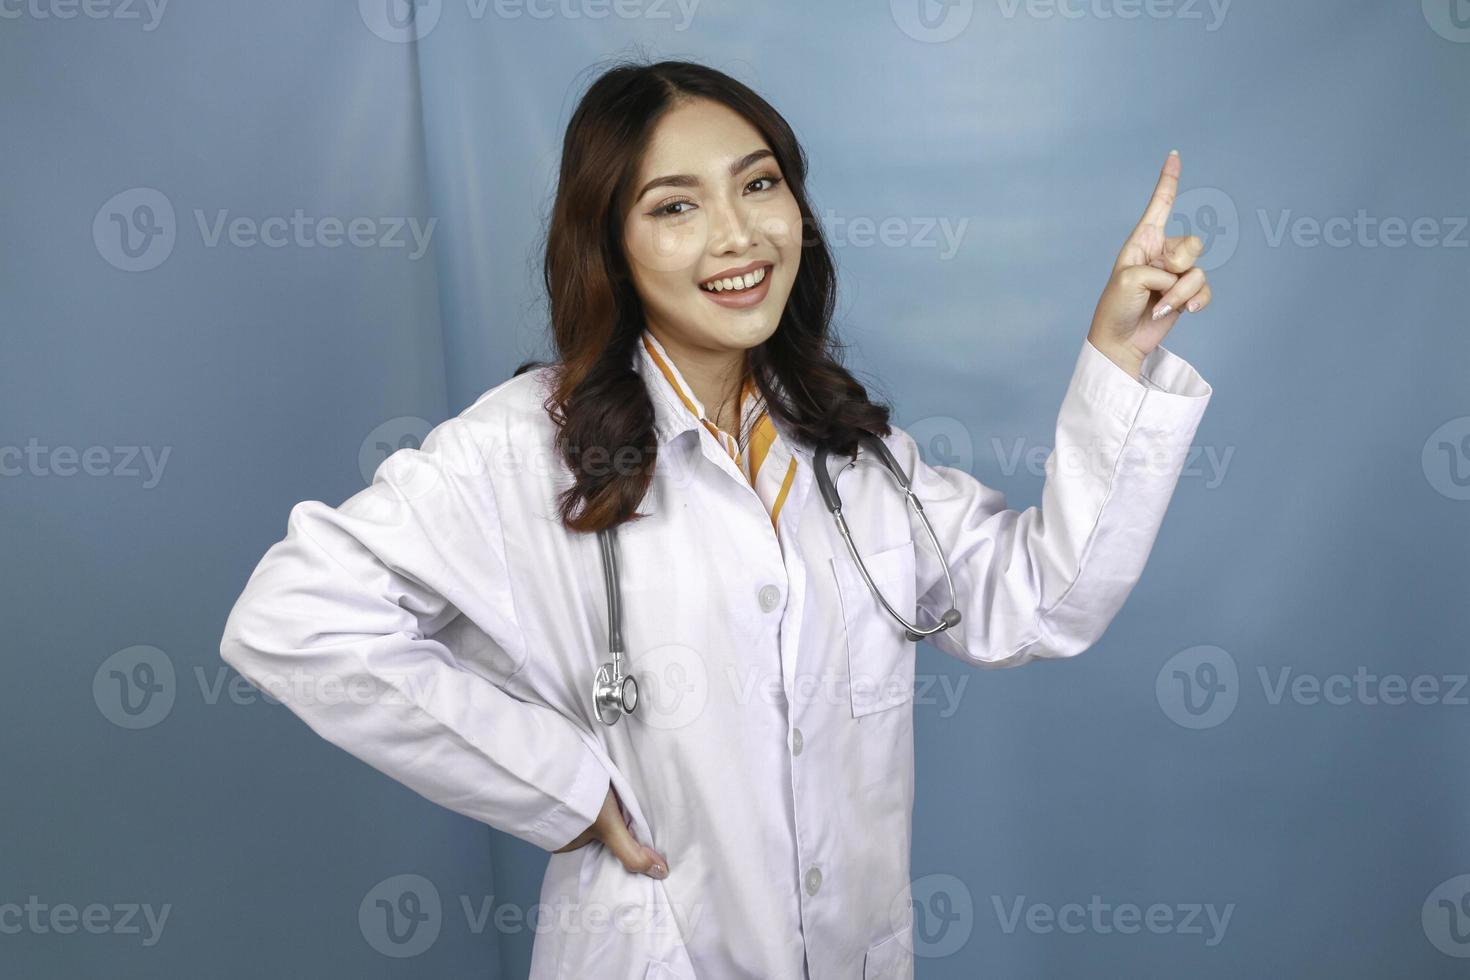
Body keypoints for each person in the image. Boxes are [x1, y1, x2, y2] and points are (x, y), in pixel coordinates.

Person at [219, 58, 1213, 980]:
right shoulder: (526, 445)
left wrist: (1118, 355)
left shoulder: (849, 451)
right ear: (609, 242)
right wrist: (557, 785)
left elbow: (1043, 602)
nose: (738, 236)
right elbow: (294, 617)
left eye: (760, 184)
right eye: (675, 206)